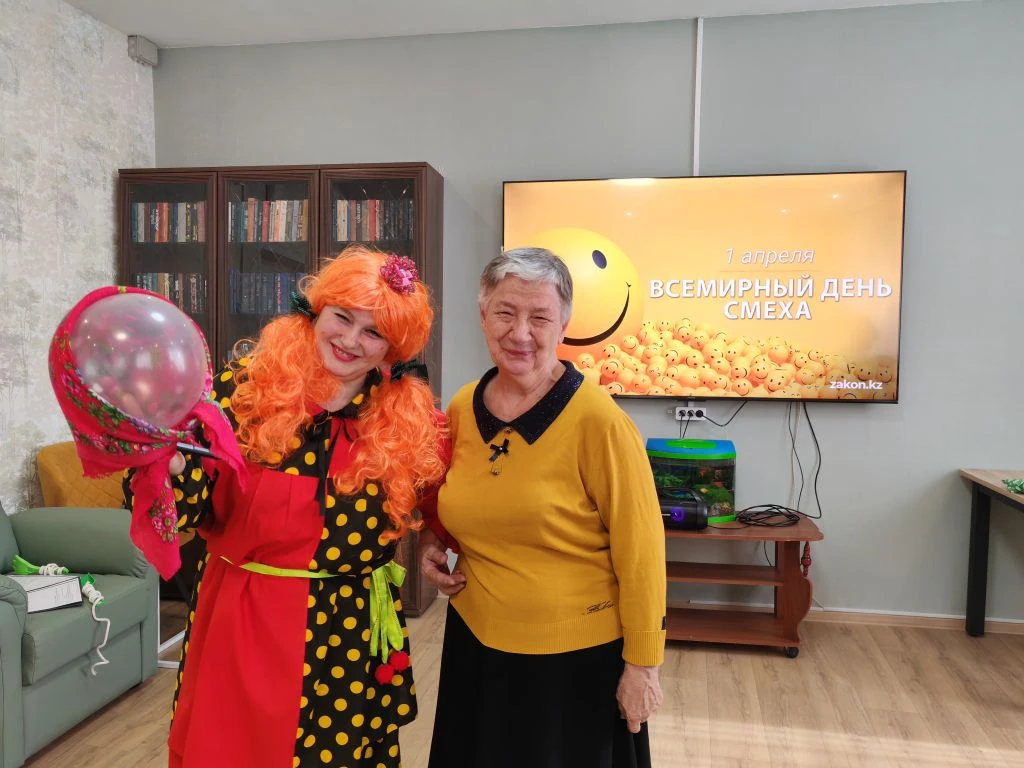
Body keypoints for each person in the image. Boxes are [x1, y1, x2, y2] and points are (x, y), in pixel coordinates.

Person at [125, 245, 447, 768]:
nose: (351, 340)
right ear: (315, 312)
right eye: (343, 318)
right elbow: (184, 511)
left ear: (394, 349)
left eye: (374, 332)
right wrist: (171, 461)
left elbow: (445, 503)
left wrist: (439, 541)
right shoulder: (242, 392)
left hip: (348, 630)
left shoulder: (408, 422)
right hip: (242, 620)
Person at [418, 247, 667, 768]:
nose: (520, 333)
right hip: (476, 645)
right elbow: (456, 499)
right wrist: (432, 541)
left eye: (540, 317)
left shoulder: (600, 422)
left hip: (573, 661)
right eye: (505, 313)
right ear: (483, 316)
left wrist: (643, 666)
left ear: (564, 324)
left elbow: (642, 553)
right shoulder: (463, 406)